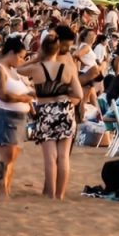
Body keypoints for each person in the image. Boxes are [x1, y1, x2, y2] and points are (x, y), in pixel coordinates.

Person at [23, 36, 83, 199]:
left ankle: (50, 194)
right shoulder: (68, 69)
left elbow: (17, 69)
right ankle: (60, 194)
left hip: (45, 111)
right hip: (65, 110)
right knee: (63, 156)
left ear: (42, 49)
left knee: (50, 157)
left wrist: (35, 58)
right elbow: (79, 94)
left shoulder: (36, 68)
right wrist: (63, 94)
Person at [0, 37, 34, 198]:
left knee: (12, 157)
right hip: (4, 115)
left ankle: (6, 188)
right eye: (20, 56)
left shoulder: (12, 70)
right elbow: (2, 94)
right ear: (11, 53)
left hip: (18, 116)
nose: (22, 60)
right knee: (6, 156)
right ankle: (2, 191)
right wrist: (24, 99)